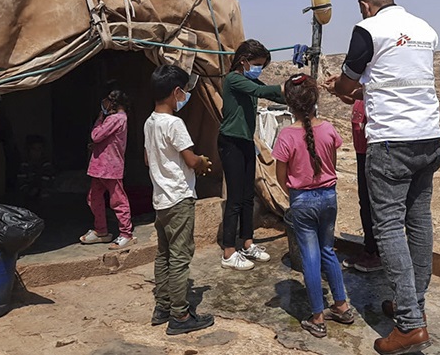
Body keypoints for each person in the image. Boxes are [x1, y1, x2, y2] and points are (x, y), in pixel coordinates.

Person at [325, 0, 440, 355]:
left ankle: (409, 324)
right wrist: (360, 89)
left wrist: (336, 86)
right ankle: (414, 304)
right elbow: (391, 81)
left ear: (365, 6)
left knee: (389, 227)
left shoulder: (368, 29)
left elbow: (348, 82)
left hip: (391, 142)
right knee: (419, 222)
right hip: (429, 138)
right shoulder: (425, 29)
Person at [272, 73, 353, 338]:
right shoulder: (329, 128)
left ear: (290, 104)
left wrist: (293, 193)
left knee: (310, 256)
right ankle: (341, 306)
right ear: (315, 99)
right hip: (329, 196)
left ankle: (317, 316)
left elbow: (280, 175)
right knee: (328, 250)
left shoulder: (286, 135)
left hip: (303, 199)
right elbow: (332, 157)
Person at [144, 64, 214, 335]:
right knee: (180, 256)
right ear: (175, 92)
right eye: (184, 92)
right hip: (179, 197)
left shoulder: (149, 122)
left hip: (160, 199)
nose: (185, 96)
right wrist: (201, 162)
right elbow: (190, 159)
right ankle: (180, 315)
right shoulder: (175, 123)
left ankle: (162, 306)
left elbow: (147, 159)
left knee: (163, 254)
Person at [218, 39, 285, 270]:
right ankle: (228, 252)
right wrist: (282, 89)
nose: (258, 69)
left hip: (246, 142)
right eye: (256, 64)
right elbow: (260, 90)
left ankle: (247, 243)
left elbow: (269, 93)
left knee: (247, 196)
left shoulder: (248, 79)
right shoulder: (234, 79)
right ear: (243, 61)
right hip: (231, 143)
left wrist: (293, 93)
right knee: (235, 199)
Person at [80, 90, 135, 250]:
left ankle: (126, 234)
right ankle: (101, 230)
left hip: (110, 167)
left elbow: (96, 136)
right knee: (94, 198)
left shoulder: (116, 119)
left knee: (118, 200)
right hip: (101, 167)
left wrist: (99, 119)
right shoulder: (117, 119)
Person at [339, 97, 382, 273]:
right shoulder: (360, 93)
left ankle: (378, 253)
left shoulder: (373, 93)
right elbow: (347, 95)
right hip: (361, 151)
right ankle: (369, 248)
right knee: (364, 201)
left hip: (373, 151)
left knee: (373, 203)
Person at [16, 134, 55, 201]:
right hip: (28, 196)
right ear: (28, 150)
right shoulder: (24, 165)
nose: (36, 152)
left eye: (39, 149)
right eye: (33, 149)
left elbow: (47, 182)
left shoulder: (46, 164)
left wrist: (38, 190)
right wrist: (29, 191)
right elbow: (21, 182)